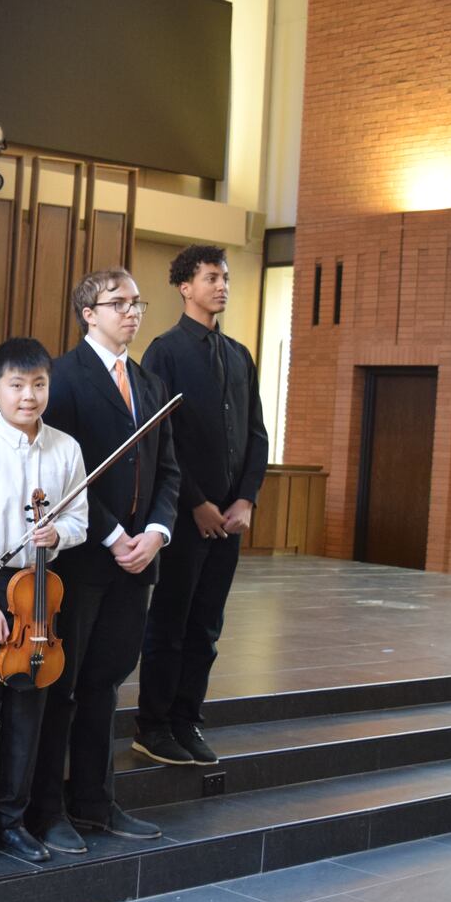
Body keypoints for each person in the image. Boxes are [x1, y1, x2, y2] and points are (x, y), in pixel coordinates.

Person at [27, 269, 180, 855]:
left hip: (138, 561)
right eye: (119, 303)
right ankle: (48, 808)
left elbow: (169, 468)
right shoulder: (61, 379)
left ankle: (95, 800)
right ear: (88, 312)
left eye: (137, 303)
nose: (133, 312)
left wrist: (157, 532)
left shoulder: (149, 381)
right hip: (84, 561)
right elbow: (63, 474)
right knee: (60, 687)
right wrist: (115, 533)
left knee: (105, 685)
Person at [0, 337, 87, 867]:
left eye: (38, 385)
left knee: (29, 710)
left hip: (40, 594)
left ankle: (11, 821)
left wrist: (61, 536)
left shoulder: (66, 449)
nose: (28, 396)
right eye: (16, 385)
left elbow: (80, 519)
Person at [137, 245, 267, 767]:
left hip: (230, 517)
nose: (222, 286)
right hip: (185, 518)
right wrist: (197, 503)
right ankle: (154, 725)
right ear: (184, 287)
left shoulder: (238, 353)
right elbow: (161, 440)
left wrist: (246, 499)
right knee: (169, 623)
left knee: (207, 627)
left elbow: (256, 434)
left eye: (226, 278)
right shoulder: (164, 352)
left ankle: (188, 719)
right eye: (211, 277)